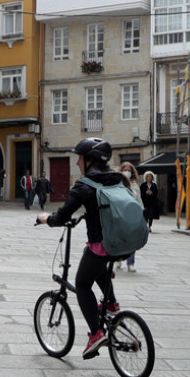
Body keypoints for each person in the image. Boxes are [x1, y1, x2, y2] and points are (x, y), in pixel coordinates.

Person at [37, 137, 125, 359]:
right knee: (99, 267)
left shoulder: (85, 185)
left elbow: (62, 216)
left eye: (79, 158)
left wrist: (46, 218)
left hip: (102, 243)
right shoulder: (118, 178)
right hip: (124, 242)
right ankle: (111, 304)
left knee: (82, 284)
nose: (77, 163)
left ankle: (96, 334)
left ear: (89, 160)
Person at [114, 162, 143, 273]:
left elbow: (139, 199)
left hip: (132, 215)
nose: (127, 172)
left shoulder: (135, 185)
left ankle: (130, 263)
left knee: (132, 240)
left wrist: (142, 214)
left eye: (129, 170)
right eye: (125, 169)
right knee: (119, 239)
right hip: (119, 215)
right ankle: (117, 258)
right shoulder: (116, 183)